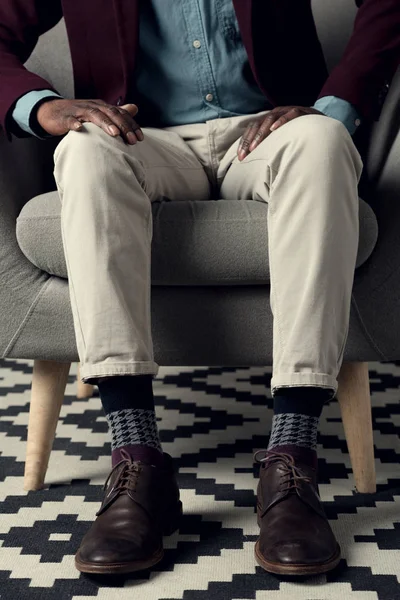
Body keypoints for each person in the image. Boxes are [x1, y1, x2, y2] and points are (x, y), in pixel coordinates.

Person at [1, 0, 399, 579]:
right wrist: (43, 107)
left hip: (267, 132)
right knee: (85, 149)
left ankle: (292, 457)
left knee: (324, 142)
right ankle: (136, 460)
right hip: (141, 134)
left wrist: (332, 106)